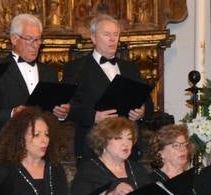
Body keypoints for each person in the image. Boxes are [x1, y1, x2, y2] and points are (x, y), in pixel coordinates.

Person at [65, 15, 151, 159]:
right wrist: (93, 116)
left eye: (115, 34)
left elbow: (147, 101)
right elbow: (66, 108)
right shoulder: (76, 68)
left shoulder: (130, 69)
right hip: (93, 147)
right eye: (106, 34)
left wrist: (142, 111)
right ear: (93, 38)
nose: (112, 39)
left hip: (128, 149)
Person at [0, 14, 71, 129]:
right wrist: (11, 113)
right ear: (14, 39)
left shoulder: (49, 73)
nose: (35, 45)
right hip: (8, 142)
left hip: (43, 142)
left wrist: (61, 113)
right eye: (29, 39)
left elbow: (53, 112)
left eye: (38, 40)